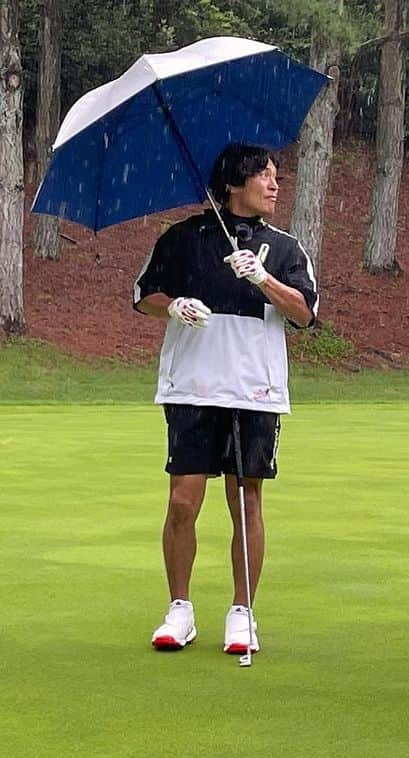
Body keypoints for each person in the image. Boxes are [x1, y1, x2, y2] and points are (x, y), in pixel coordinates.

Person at [132, 143, 318, 656]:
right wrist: (175, 306)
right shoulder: (182, 239)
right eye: (264, 176)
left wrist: (262, 279)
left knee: (245, 500)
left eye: (276, 176)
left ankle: (242, 612)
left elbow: (304, 313)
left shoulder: (284, 248)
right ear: (234, 183)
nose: (275, 185)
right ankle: (180, 609)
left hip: (254, 391)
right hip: (191, 386)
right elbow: (143, 294)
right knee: (181, 503)